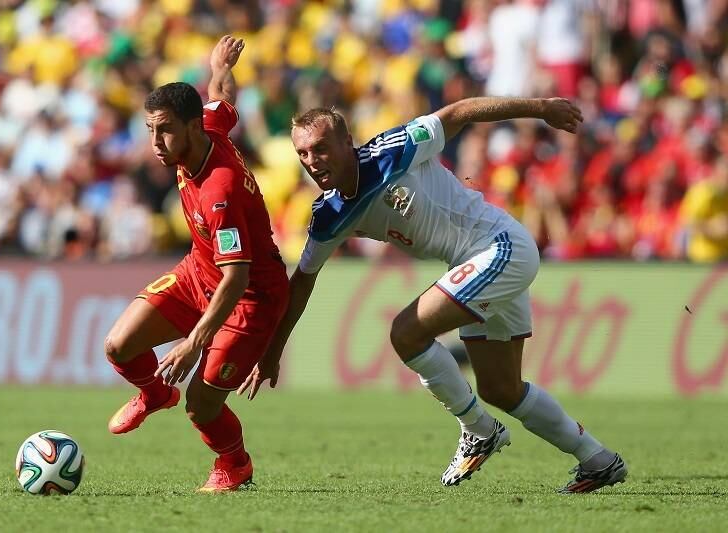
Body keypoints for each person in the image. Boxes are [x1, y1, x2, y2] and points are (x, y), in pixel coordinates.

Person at [239, 97, 628, 494]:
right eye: (302, 153)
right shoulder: (330, 214)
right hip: (476, 262)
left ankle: (479, 430)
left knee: (406, 333)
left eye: (321, 148)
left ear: (347, 143)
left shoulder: (393, 151)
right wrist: (273, 351)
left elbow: (457, 114)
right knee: (500, 389)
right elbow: (302, 280)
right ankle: (597, 460)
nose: (312, 160)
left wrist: (541, 107)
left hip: (499, 247)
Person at [104, 36, 288, 492]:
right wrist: (219, 66)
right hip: (198, 272)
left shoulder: (218, 191)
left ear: (191, 128)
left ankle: (234, 464)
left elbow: (237, 276)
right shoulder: (207, 124)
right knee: (118, 345)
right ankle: (154, 392)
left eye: (164, 130)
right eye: (149, 129)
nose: (155, 143)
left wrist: (192, 343)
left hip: (249, 297)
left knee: (200, 405)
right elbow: (222, 97)